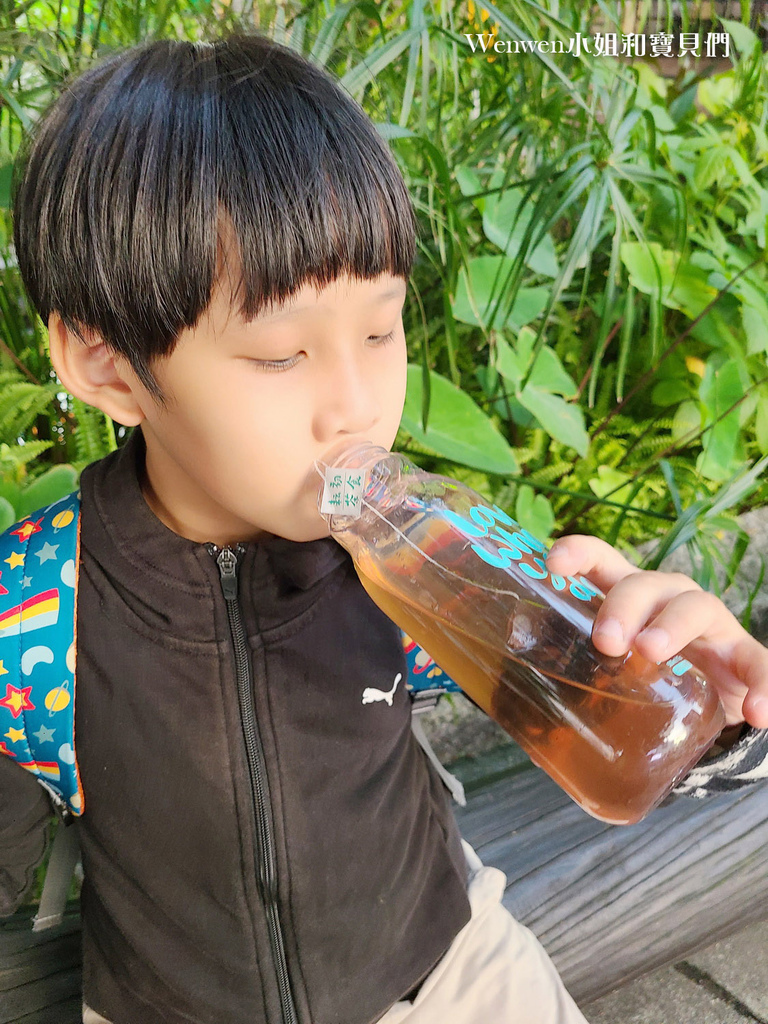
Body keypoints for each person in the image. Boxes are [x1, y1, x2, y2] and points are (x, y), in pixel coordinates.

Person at [3, 33, 768, 1024]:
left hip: (447, 969)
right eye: (282, 355)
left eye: (380, 328)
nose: (357, 403)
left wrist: (707, 690)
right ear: (107, 366)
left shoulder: (420, 556)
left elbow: (621, 725)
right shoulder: (38, 612)